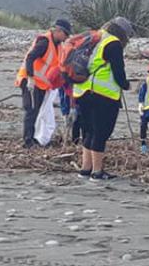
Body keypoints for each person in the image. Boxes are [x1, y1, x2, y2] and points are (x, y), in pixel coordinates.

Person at [73, 16, 133, 181]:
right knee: (101, 132)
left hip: (81, 91)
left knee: (88, 130)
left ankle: (86, 169)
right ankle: (97, 172)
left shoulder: (92, 37)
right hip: (102, 94)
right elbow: (118, 72)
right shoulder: (113, 43)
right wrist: (126, 85)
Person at [15, 18, 72, 147]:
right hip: (31, 81)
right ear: (58, 31)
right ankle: (27, 141)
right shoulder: (44, 42)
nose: (66, 38)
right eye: (65, 34)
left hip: (41, 84)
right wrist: (30, 78)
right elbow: (30, 57)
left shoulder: (58, 45)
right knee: (31, 110)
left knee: (37, 111)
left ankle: (34, 138)